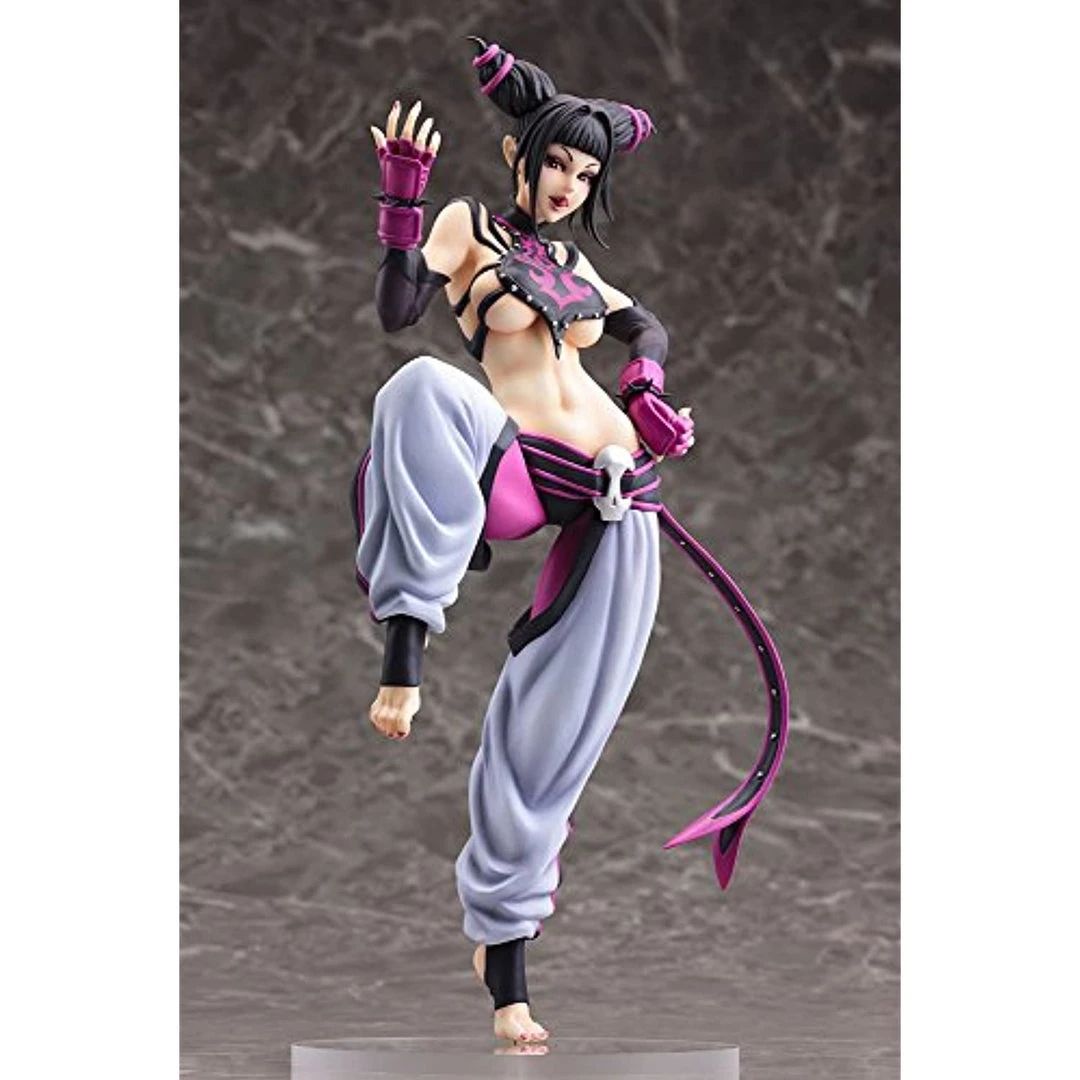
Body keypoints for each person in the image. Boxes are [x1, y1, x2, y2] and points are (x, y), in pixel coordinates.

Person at [351, 37, 789, 1047]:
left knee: (555, 734)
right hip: (513, 465)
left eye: (587, 174)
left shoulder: (573, 263)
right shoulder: (469, 227)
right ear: (520, 153)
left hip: (617, 493)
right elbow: (398, 312)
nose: (568, 185)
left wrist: (647, 388)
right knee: (418, 390)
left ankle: (505, 965)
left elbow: (648, 326)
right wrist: (402, 210)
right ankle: (405, 650)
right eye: (556, 162)